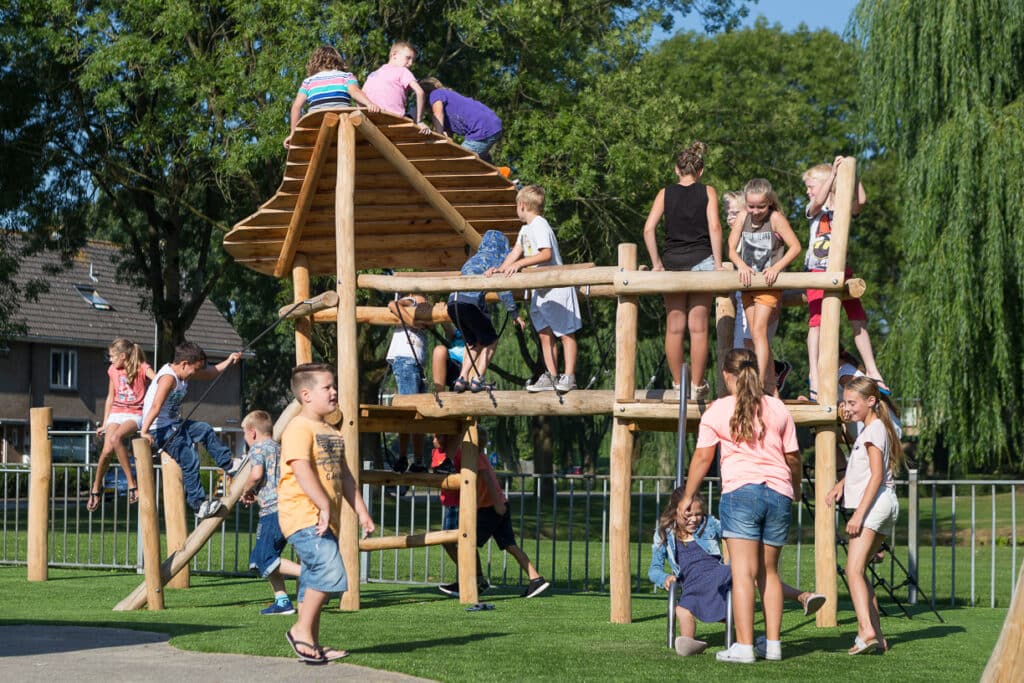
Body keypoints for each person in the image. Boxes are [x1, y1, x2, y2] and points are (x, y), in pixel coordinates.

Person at [676, 348, 802, 663]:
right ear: (757, 374)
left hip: (741, 493)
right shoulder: (777, 407)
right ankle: (772, 645)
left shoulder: (717, 410)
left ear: (725, 375)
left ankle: (744, 647)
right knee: (770, 573)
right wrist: (796, 489)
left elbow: (703, 457)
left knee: (743, 573)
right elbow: (793, 458)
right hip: (778, 493)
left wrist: (688, 496)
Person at [649, 490, 826, 657]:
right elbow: (654, 569)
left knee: (750, 574)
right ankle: (690, 642)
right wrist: (664, 578)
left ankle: (802, 596)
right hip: (691, 585)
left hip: (718, 575)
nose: (694, 519)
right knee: (681, 610)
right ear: (674, 512)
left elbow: (734, 531)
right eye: (688, 515)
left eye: (698, 514)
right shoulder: (664, 534)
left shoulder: (709, 524)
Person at [278, 363, 376, 664]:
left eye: (334, 386)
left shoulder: (331, 431)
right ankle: (300, 632)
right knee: (331, 572)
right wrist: (322, 505)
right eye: (327, 387)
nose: (334, 392)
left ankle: (312, 645)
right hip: (302, 515)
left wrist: (362, 512)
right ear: (306, 395)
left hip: (324, 519)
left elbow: (345, 476)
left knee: (312, 580)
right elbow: (302, 470)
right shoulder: (298, 427)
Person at [827, 376, 903, 655]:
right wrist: (841, 484)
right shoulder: (871, 429)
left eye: (852, 402)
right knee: (860, 571)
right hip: (885, 505)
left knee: (853, 570)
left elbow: (876, 476)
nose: (847, 407)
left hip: (875, 506)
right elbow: (861, 470)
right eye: (845, 402)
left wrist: (858, 515)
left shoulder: (873, 431)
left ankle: (866, 631)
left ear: (871, 401)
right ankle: (877, 637)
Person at [642, 142, 723, 398]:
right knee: (698, 327)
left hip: (673, 263)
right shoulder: (708, 191)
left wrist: (656, 264)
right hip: (702, 261)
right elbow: (715, 227)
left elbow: (648, 229)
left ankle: (679, 385)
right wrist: (719, 265)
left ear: (677, 170)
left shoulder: (665, 193)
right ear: (700, 171)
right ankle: (698, 386)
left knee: (674, 326)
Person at [803, 158, 888, 401]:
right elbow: (817, 202)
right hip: (818, 271)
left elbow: (860, 201)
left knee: (858, 318)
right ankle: (814, 374)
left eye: (811, 186)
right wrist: (831, 177)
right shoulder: (812, 208)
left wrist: (852, 173)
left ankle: (872, 369)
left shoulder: (842, 206)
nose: (808, 191)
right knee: (816, 322)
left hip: (841, 270)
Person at [438, 427, 549, 599]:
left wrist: (497, 505)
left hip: (491, 508)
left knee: (467, 541)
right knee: (509, 545)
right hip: (498, 505)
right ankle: (536, 579)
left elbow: (489, 480)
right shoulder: (479, 456)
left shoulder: (475, 457)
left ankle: (473, 580)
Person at [493, 184, 581, 393]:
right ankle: (551, 375)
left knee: (565, 333)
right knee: (544, 333)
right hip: (540, 292)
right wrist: (500, 269)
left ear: (522, 205)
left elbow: (546, 254)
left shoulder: (540, 225)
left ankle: (569, 376)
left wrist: (520, 264)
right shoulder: (525, 230)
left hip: (555, 288)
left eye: (516, 206)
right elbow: (516, 252)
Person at [140, 342, 242, 520]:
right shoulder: (168, 378)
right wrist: (144, 431)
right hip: (159, 429)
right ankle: (198, 504)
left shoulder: (184, 374)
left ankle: (228, 464)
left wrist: (229, 360)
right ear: (184, 364)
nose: (195, 374)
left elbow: (210, 374)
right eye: (194, 369)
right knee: (189, 458)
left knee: (204, 429)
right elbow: (155, 406)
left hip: (174, 423)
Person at [728, 178, 802, 394]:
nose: (756, 211)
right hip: (749, 285)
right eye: (751, 206)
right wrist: (741, 265)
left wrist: (776, 268)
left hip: (768, 286)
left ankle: (758, 383)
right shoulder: (743, 217)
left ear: (769, 202)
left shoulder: (776, 218)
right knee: (752, 335)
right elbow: (731, 249)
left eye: (761, 206)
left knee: (759, 331)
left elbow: (795, 247)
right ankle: (772, 386)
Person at [446, 230, 524, 393]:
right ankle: (478, 379)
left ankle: (462, 378)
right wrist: (514, 313)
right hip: (470, 303)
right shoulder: (496, 259)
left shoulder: (471, 260)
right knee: (491, 340)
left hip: (452, 303)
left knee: (473, 342)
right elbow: (503, 289)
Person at [239, 410, 301, 616]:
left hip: (273, 512)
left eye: (244, 434)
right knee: (261, 559)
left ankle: (309, 574)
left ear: (252, 433)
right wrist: (257, 494)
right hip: (288, 507)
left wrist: (246, 489)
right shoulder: (279, 448)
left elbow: (256, 474)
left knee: (265, 558)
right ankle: (282, 600)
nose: (245, 439)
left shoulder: (257, 449)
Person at [87, 338, 155, 511]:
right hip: (117, 412)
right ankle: (96, 487)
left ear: (123, 356)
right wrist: (105, 422)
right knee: (107, 451)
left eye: (112, 356)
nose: (110, 360)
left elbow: (159, 381)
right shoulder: (112, 370)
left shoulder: (142, 368)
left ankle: (132, 485)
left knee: (117, 438)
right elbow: (111, 396)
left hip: (135, 413)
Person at [283, 45, 379, 149]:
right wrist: (369, 103)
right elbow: (355, 92)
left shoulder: (308, 81)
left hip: (316, 122)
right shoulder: (346, 76)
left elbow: (296, 107)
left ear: (315, 63)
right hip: (342, 120)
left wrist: (293, 134)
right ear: (338, 61)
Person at [386, 293, 429, 471]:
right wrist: (411, 304)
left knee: (414, 413)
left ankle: (409, 458)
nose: (424, 304)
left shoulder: (424, 311)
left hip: (415, 364)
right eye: (421, 301)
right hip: (406, 361)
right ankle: (410, 459)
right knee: (411, 413)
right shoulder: (409, 306)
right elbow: (392, 305)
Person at [419, 78, 502, 162]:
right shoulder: (448, 107)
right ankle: (498, 170)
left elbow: (437, 114)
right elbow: (448, 139)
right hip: (491, 125)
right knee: (477, 157)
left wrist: (438, 136)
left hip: (482, 128)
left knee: (460, 160)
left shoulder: (436, 93)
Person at [362, 41, 430, 132]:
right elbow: (420, 92)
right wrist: (419, 121)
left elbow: (361, 96)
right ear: (394, 55)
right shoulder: (402, 71)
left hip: (371, 118)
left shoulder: (373, 74)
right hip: (394, 119)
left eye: (412, 61)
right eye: (408, 58)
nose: (410, 63)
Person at [430, 325, 465, 393]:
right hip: (453, 363)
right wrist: (444, 322)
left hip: (469, 364)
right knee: (439, 350)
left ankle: (471, 385)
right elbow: (450, 333)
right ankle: (440, 393)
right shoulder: (458, 330)